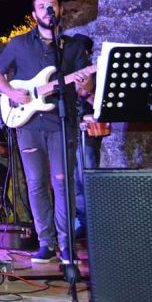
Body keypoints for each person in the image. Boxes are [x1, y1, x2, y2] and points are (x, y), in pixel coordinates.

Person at [0, 0, 93, 265]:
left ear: (59, 10)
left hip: (62, 121)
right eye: (41, 6)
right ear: (35, 14)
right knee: (36, 184)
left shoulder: (72, 47)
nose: (48, 9)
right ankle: (46, 243)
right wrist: (11, 94)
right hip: (30, 123)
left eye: (52, 5)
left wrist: (86, 82)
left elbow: (86, 89)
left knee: (62, 184)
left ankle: (67, 244)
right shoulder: (19, 43)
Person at [72, 34, 107, 239]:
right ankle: (79, 222)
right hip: (71, 133)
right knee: (74, 181)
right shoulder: (67, 74)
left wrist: (87, 91)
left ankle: (93, 223)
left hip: (89, 135)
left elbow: (101, 106)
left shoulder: (97, 74)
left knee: (88, 178)